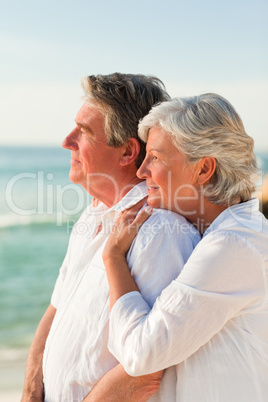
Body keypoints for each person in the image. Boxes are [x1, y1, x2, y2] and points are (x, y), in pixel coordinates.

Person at [21, 74, 200, 401]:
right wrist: (31, 390)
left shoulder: (158, 232)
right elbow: (55, 309)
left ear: (127, 152)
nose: (67, 140)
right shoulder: (92, 216)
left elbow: (146, 370)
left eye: (84, 131)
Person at [102, 93, 268, 402]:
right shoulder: (234, 232)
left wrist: (112, 258)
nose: (141, 172)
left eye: (156, 157)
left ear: (204, 169)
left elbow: (141, 354)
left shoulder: (233, 245)